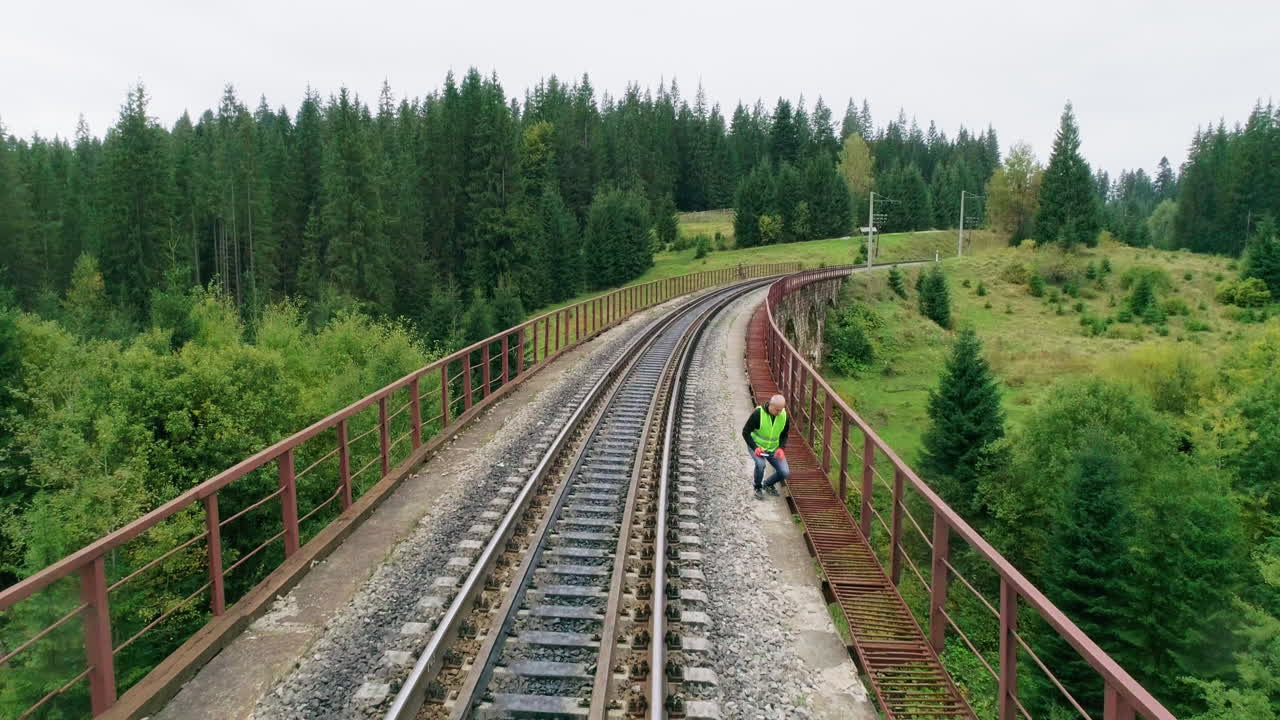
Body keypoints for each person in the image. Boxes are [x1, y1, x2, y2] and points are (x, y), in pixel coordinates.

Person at [741, 394, 790, 499]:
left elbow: (784, 434)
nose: (779, 413)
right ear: (770, 405)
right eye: (777, 410)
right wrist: (755, 448)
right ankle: (757, 487)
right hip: (757, 447)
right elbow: (745, 432)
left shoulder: (784, 415)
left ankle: (768, 484)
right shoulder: (758, 414)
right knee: (760, 464)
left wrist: (781, 448)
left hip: (773, 449)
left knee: (784, 472)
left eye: (781, 410)